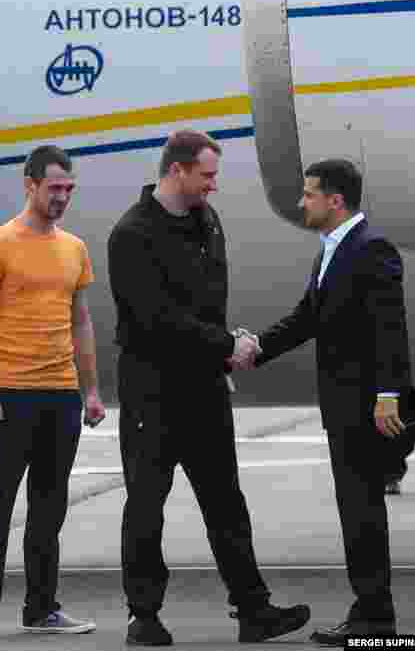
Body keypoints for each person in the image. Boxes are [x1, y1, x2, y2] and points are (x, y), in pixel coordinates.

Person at [106, 129, 311, 646]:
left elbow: (206, 302)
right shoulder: (132, 234)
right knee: (147, 505)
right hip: (152, 393)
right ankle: (143, 616)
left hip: (204, 388)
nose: (214, 186)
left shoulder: (206, 222)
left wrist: (225, 346)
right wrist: (226, 344)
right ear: (178, 171)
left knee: (225, 502)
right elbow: (157, 319)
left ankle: (254, 609)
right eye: (208, 175)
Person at [236, 158, 415, 646]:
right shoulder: (333, 250)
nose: (303, 203)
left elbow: (391, 329)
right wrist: (254, 351)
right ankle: (370, 612)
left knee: (362, 510)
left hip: (364, 405)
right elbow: (307, 318)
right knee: (356, 508)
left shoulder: (369, 249)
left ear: (335, 200)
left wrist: (389, 395)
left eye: (309, 194)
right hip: (344, 406)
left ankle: (374, 618)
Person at [0, 145, 106, 640]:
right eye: (54, 188)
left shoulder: (74, 249)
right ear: (30, 185)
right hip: (8, 392)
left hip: (60, 395)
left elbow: (81, 322)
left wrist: (91, 391)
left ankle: (41, 609)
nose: (62, 197)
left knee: (49, 507)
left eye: (69, 189)